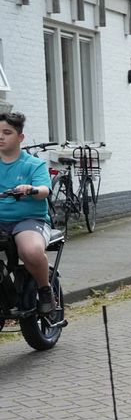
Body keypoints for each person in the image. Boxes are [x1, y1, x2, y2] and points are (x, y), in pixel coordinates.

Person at [0, 111, 56, 314]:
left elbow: (44, 191)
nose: (1, 137)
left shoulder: (34, 164)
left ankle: (45, 289)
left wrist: (31, 189)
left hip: (29, 220)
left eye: (7, 133)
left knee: (30, 251)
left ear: (20, 137)